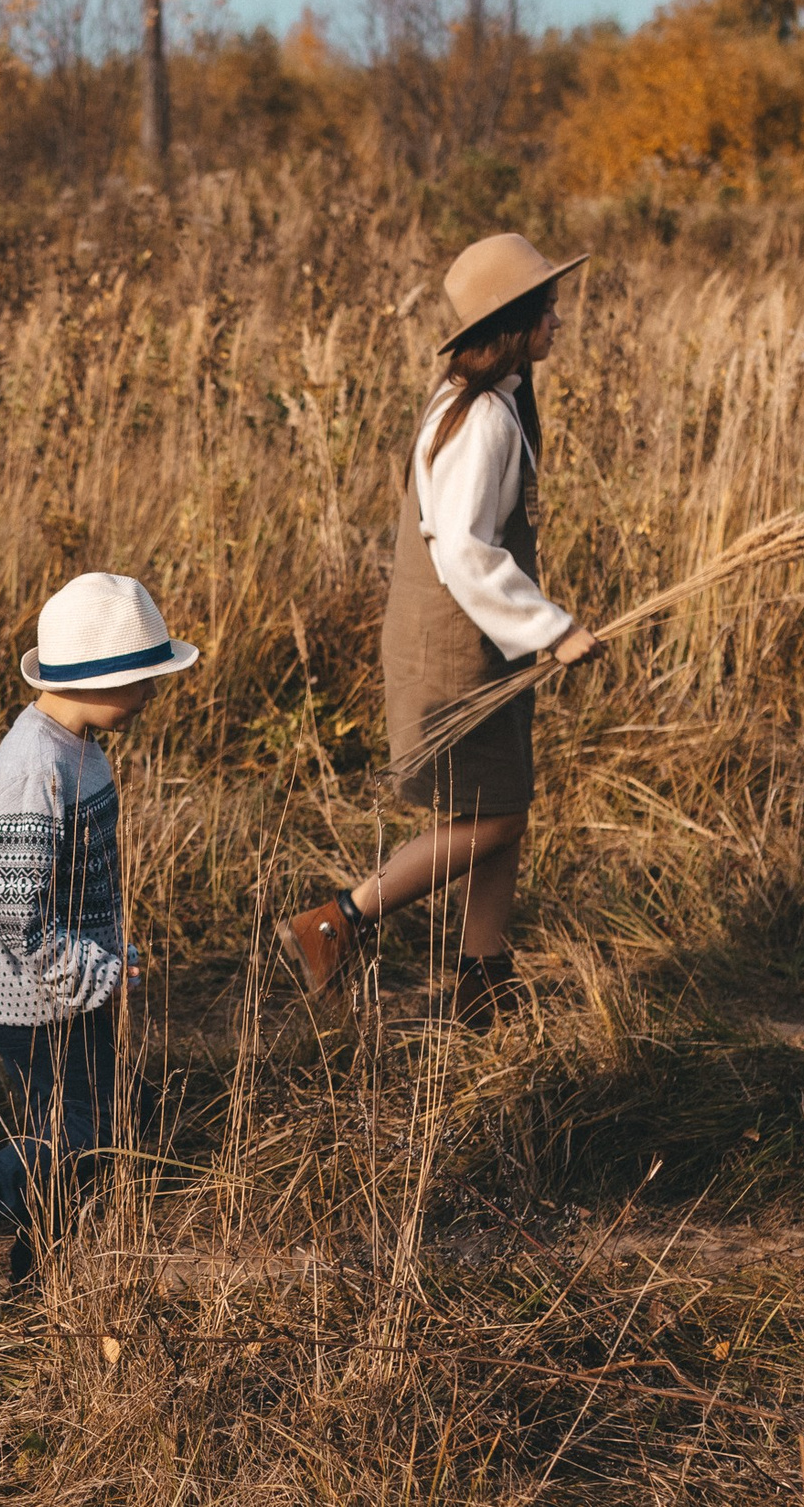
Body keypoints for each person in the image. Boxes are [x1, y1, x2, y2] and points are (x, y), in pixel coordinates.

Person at [281, 233, 601, 1030]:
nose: (560, 318)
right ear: (517, 320)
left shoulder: (484, 396)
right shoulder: (482, 416)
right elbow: (461, 544)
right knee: (491, 817)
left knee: (503, 801)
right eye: (548, 307)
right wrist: (551, 627)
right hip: (457, 645)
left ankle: (482, 979)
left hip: (479, 640)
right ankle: (338, 921)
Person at [0, 573, 198, 1297]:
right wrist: (98, 975)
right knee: (93, 1124)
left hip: (55, 987)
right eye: (146, 679)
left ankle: (44, 1269)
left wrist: (105, 962)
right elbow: (15, 912)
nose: (154, 693)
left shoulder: (77, 747)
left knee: (73, 1119)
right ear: (105, 678)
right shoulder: (36, 766)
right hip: (22, 991)